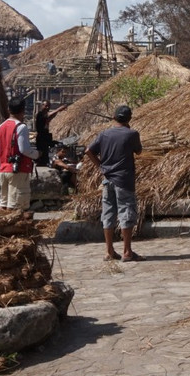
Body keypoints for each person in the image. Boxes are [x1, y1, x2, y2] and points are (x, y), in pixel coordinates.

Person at [85, 104, 143, 262]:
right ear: (129, 119)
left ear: (114, 117)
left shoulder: (104, 134)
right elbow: (138, 151)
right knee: (126, 212)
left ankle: (109, 251)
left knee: (108, 213)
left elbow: (88, 151)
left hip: (108, 179)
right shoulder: (132, 134)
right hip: (124, 179)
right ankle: (127, 251)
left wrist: (101, 167)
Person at [0, 96, 40, 212]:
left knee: (3, 204)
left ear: (9, 110)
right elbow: (24, 149)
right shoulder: (21, 127)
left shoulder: (1, 127)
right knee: (16, 206)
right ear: (22, 111)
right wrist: (36, 154)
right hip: (18, 170)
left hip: (4, 169)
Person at [34, 100, 68, 166]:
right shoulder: (40, 114)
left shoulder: (45, 116)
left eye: (48, 106)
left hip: (46, 138)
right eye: (46, 106)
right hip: (41, 138)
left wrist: (58, 111)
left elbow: (50, 117)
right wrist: (59, 109)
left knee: (46, 155)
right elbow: (48, 116)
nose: (47, 107)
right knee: (42, 155)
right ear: (42, 106)